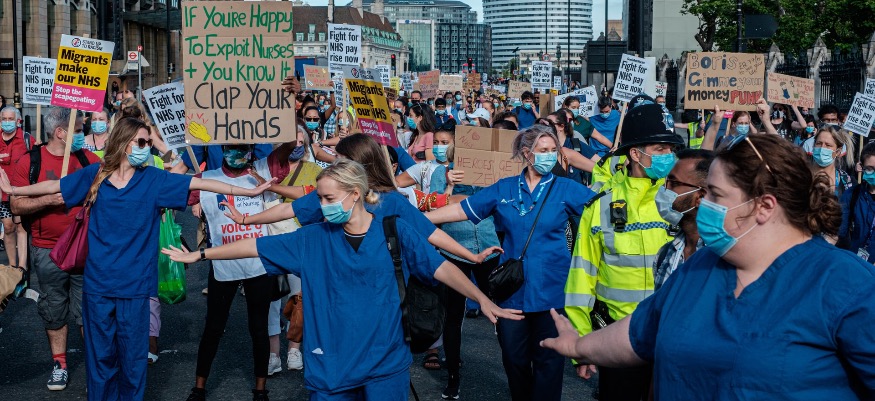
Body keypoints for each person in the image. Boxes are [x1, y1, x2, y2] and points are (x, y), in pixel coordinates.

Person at [542, 134, 875, 400]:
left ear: (763, 206)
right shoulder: (700, 266)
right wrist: (578, 346)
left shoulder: (845, 283)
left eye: (715, 194)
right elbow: (639, 333)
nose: (703, 203)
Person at [162, 159, 522, 400]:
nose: (322, 205)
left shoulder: (395, 231)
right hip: (331, 368)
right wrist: (202, 254)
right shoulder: (312, 238)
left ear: (355, 194)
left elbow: (442, 268)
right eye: (320, 198)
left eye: (328, 198)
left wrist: (482, 298)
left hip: (385, 365)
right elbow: (255, 246)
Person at [0, 117, 276, 401]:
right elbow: (54, 187)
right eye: (142, 142)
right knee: (100, 360)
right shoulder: (96, 174)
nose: (147, 148)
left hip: (135, 288)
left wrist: (249, 190)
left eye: (148, 143)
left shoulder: (154, 179)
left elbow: (204, 183)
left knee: (133, 362)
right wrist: (13, 191)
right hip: (98, 287)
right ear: (124, 143)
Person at [426, 125, 597, 401]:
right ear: (527, 154)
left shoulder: (566, 188)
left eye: (553, 150)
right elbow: (462, 210)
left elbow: (602, 211)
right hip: (511, 294)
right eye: (543, 150)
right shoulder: (504, 188)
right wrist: (419, 219)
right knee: (514, 360)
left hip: (552, 293)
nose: (550, 156)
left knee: (549, 365)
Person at [564, 103, 684, 400]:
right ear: (635, 154)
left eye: (671, 149)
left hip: (673, 338)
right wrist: (582, 343)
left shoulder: (681, 201)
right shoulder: (601, 205)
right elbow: (581, 278)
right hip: (619, 340)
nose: (668, 156)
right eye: (660, 149)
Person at [185, 142, 292, 401]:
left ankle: (260, 390)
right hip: (223, 264)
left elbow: (287, 147)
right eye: (231, 148)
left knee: (259, 328)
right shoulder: (205, 178)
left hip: (258, 264)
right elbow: (172, 192)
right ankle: (199, 388)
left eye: (243, 148)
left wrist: (288, 127)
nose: (236, 153)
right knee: (213, 327)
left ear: (252, 149)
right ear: (221, 148)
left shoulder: (263, 172)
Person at [9, 106, 101, 391]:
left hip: (85, 248)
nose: (83, 135)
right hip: (47, 250)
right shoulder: (30, 161)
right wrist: (49, 200)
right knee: (53, 307)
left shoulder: (88, 160)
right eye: (78, 130)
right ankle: (60, 365)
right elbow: (16, 205)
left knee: (88, 309)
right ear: (61, 132)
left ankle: (95, 369)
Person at [653, 149, 714, 290]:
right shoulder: (665, 255)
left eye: (673, 183)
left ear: (700, 197)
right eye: (666, 182)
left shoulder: (721, 259)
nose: (664, 189)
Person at [0, 106, 33, 269]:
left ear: (18, 121)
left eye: (10, 119)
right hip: (2, 194)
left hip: (21, 192)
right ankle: (12, 266)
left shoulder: (27, 139)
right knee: (8, 227)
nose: (7, 122)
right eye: (4, 119)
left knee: (21, 227)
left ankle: (22, 267)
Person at [839, 141, 875, 262]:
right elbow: (839, 233)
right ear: (862, 167)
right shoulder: (852, 195)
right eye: (869, 169)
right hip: (856, 262)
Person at [807, 125, 854, 197]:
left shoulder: (847, 182)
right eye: (819, 143)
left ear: (838, 152)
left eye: (828, 145)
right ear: (813, 146)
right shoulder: (801, 176)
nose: (822, 148)